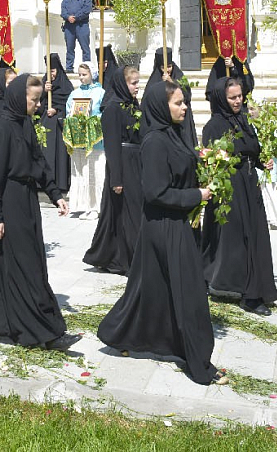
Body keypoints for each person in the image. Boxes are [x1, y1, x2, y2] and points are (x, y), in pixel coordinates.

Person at [98, 80, 226, 385]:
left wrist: (205, 163)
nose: (185, 108)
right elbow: (155, 192)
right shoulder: (155, 141)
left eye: (184, 102)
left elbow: (179, 170)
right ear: (160, 106)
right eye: (178, 103)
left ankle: (121, 334)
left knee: (152, 289)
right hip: (166, 226)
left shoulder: (174, 133)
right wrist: (197, 195)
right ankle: (198, 363)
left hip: (177, 223)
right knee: (189, 294)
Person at [0, 73, 78, 349]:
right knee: (23, 266)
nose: (38, 105)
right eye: (34, 100)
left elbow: (39, 163)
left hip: (27, 200)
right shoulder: (1, 128)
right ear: (19, 98)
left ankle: (11, 324)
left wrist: (55, 194)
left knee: (31, 262)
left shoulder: (24, 123)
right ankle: (42, 332)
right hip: (9, 202)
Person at [201, 78, 277, 316]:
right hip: (230, 187)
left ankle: (253, 288)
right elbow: (210, 161)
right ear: (221, 99)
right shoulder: (213, 126)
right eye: (232, 97)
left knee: (255, 235)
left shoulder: (243, 120)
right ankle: (246, 293)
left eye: (239, 96)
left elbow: (251, 149)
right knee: (236, 238)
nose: (238, 101)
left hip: (249, 185)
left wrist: (262, 162)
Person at [83, 66, 142, 275]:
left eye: (137, 82)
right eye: (133, 83)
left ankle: (113, 256)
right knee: (127, 212)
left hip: (135, 163)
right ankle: (132, 258)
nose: (137, 87)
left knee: (122, 213)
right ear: (122, 84)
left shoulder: (132, 105)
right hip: (122, 165)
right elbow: (112, 145)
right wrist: (116, 178)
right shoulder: (113, 108)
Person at [65, 62, 106, 218]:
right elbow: (69, 110)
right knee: (81, 171)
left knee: (94, 172)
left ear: (92, 74)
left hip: (95, 141)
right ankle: (83, 205)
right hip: (79, 140)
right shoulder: (74, 93)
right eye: (79, 74)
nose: (81, 77)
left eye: (84, 74)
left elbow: (103, 112)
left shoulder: (100, 92)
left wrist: (93, 119)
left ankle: (96, 207)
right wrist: (72, 118)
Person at [37, 53, 72, 195]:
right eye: (49, 71)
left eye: (53, 71)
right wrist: (44, 92)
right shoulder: (43, 83)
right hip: (45, 122)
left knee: (59, 154)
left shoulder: (65, 85)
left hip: (58, 125)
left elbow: (69, 105)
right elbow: (37, 104)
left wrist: (56, 109)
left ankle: (59, 182)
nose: (51, 74)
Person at [147, 48, 197, 148]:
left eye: (169, 66)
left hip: (181, 121)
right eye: (163, 67)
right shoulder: (154, 79)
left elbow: (187, 95)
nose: (167, 70)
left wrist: (172, 82)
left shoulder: (178, 75)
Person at [60, 0, 93, 72]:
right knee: (69, 48)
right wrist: (68, 17)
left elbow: (87, 10)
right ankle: (69, 68)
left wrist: (76, 17)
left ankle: (86, 68)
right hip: (69, 27)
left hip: (82, 26)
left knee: (85, 48)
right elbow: (63, 10)